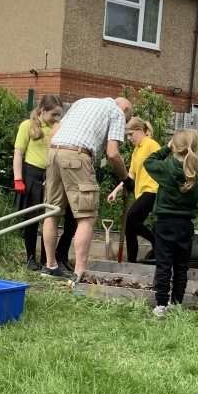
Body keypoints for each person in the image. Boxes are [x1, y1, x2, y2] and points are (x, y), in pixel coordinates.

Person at [41, 96, 133, 280]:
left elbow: (54, 132)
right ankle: (79, 273)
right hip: (77, 155)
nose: (124, 123)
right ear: (124, 111)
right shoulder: (117, 112)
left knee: (52, 212)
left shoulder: (82, 102)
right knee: (86, 216)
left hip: (53, 152)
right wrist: (126, 178)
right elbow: (113, 153)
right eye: (126, 120)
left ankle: (50, 266)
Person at [12, 94, 76, 271]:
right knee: (32, 219)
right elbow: (18, 154)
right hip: (32, 174)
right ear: (43, 110)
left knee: (50, 218)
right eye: (54, 114)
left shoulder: (58, 128)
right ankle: (31, 258)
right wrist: (18, 179)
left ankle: (46, 258)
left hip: (52, 175)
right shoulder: (27, 125)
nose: (56, 118)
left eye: (59, 115)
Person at [144, 130, 198, 317]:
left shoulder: (167, 167)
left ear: (174, 147)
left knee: (164, 264)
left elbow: (148, 162)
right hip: (186, 225)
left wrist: (165, 148)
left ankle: (161, 304)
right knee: (181, 266)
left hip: (165, 223)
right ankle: (177, 303)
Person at [107, 116, 160, 262]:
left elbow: (162, 164)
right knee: (129, 227)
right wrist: (115, 191)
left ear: (141, 130)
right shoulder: (136, 151)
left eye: (131, 134)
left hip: (153, 190)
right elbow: (131, 175)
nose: (129, 138)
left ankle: (155, 241)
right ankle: (131, 263)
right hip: (141, 193)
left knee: (129, 218)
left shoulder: (151, 144)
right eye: (127, 135)